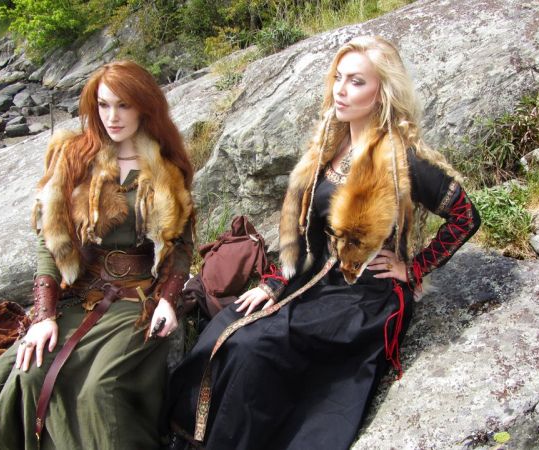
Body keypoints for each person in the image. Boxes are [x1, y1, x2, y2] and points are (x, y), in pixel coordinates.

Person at [165, 36, 481, 449]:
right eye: (338, 78)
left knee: (256, 347)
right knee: (227, 325)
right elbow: (304, 231)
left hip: (364, 297)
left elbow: (466, 216)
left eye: (356, 82)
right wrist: (275, 282)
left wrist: (414, 268)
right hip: (315, 276)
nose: (340, 90)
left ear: (382, 91)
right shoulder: (331, 143)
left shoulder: (402, 158)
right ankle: (193, 436)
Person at [0, 60, 194, 450]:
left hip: (136, 300)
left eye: (123, 105)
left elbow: (181, 246)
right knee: (32, 372)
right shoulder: (74, 156)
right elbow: (50, 240)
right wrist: (44, 316)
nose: (112, 116)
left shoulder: (165, 167)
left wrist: (169, 301)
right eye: (103, 105)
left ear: (144, 107)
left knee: (99, 389)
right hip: (80, 294)